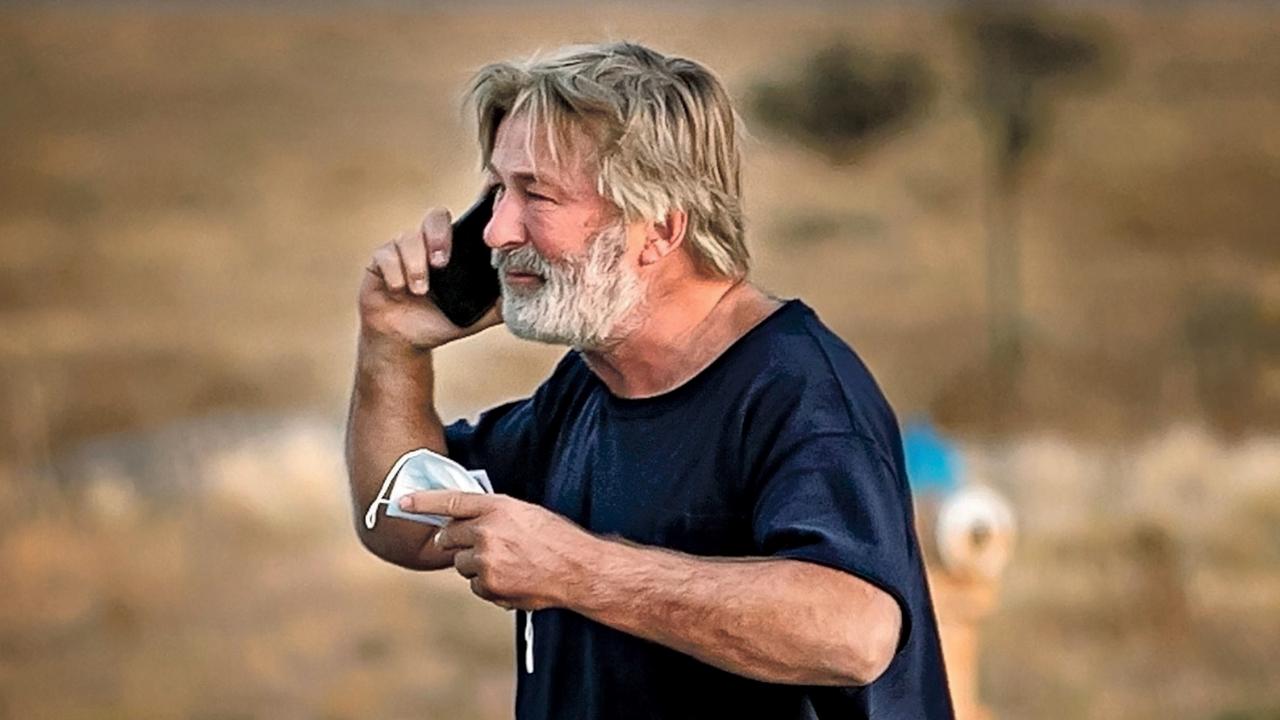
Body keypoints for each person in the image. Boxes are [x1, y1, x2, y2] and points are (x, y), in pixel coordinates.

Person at [345, 41, 954, 719]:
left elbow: (854, 631)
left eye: (535, 194)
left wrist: (574, 569)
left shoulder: (799, 390)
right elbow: (402, 522)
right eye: (496, 191)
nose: (494, 230)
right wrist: (391, 345)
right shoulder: (586, 388)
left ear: (659, 229)